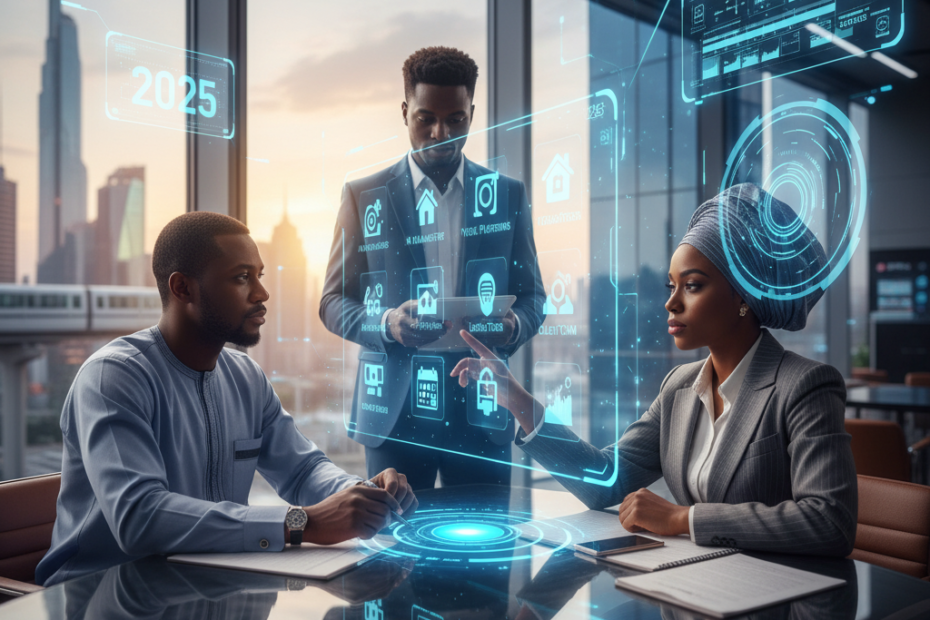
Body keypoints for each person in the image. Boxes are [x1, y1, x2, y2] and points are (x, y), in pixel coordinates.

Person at [452, 183, 858, 556]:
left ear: (744, 297)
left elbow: (830, 522)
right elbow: (605, 480)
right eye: (671, 286)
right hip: (692, 585)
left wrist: (684, 519)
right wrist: (517, 400)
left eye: (693, 285)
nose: (671, 303)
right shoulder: (679, 387)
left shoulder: (805, 386)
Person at [37, 212, 417, 587]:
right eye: (241, 278)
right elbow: (140, 517)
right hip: (100, 598)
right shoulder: (113, 377)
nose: (262, 293)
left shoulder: (246, 376)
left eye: (259, 276)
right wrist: (303, 523)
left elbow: (302, 470)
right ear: (183, 288)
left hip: (202, 589)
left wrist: (361, 495)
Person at [320, 47, 545, 490]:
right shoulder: (362, 196)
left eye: (456, 120)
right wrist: (387, 324)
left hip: (482, 408)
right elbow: (331, 303)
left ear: (472, 114)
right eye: (425, 118)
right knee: (394, 554)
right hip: (394, 416)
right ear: (404, 112)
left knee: (487, 552)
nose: (440, 133)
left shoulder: (507, 195)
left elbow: (534, 295)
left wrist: (514, 325)